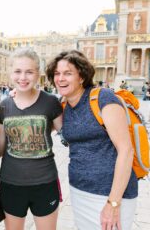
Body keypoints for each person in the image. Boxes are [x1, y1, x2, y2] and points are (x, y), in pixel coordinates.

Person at [46, 50, 137, 230]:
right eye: (57, 73)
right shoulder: (63, 105)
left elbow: (126, 151)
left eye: (68, 73)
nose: (60, 78)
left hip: (111, 193)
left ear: (81, 77)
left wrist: (113, 203)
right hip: (79, 190)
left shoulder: (103, 98)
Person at [0, 48, 63, 230]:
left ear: (38, 74)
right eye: (17, 71)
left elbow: (69, 136)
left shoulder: (51, 102)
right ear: (10, 73)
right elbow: (0, 149)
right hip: (11, 183)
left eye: (29, 72)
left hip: (45, 182)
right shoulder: (3, 107)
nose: (23, 77)